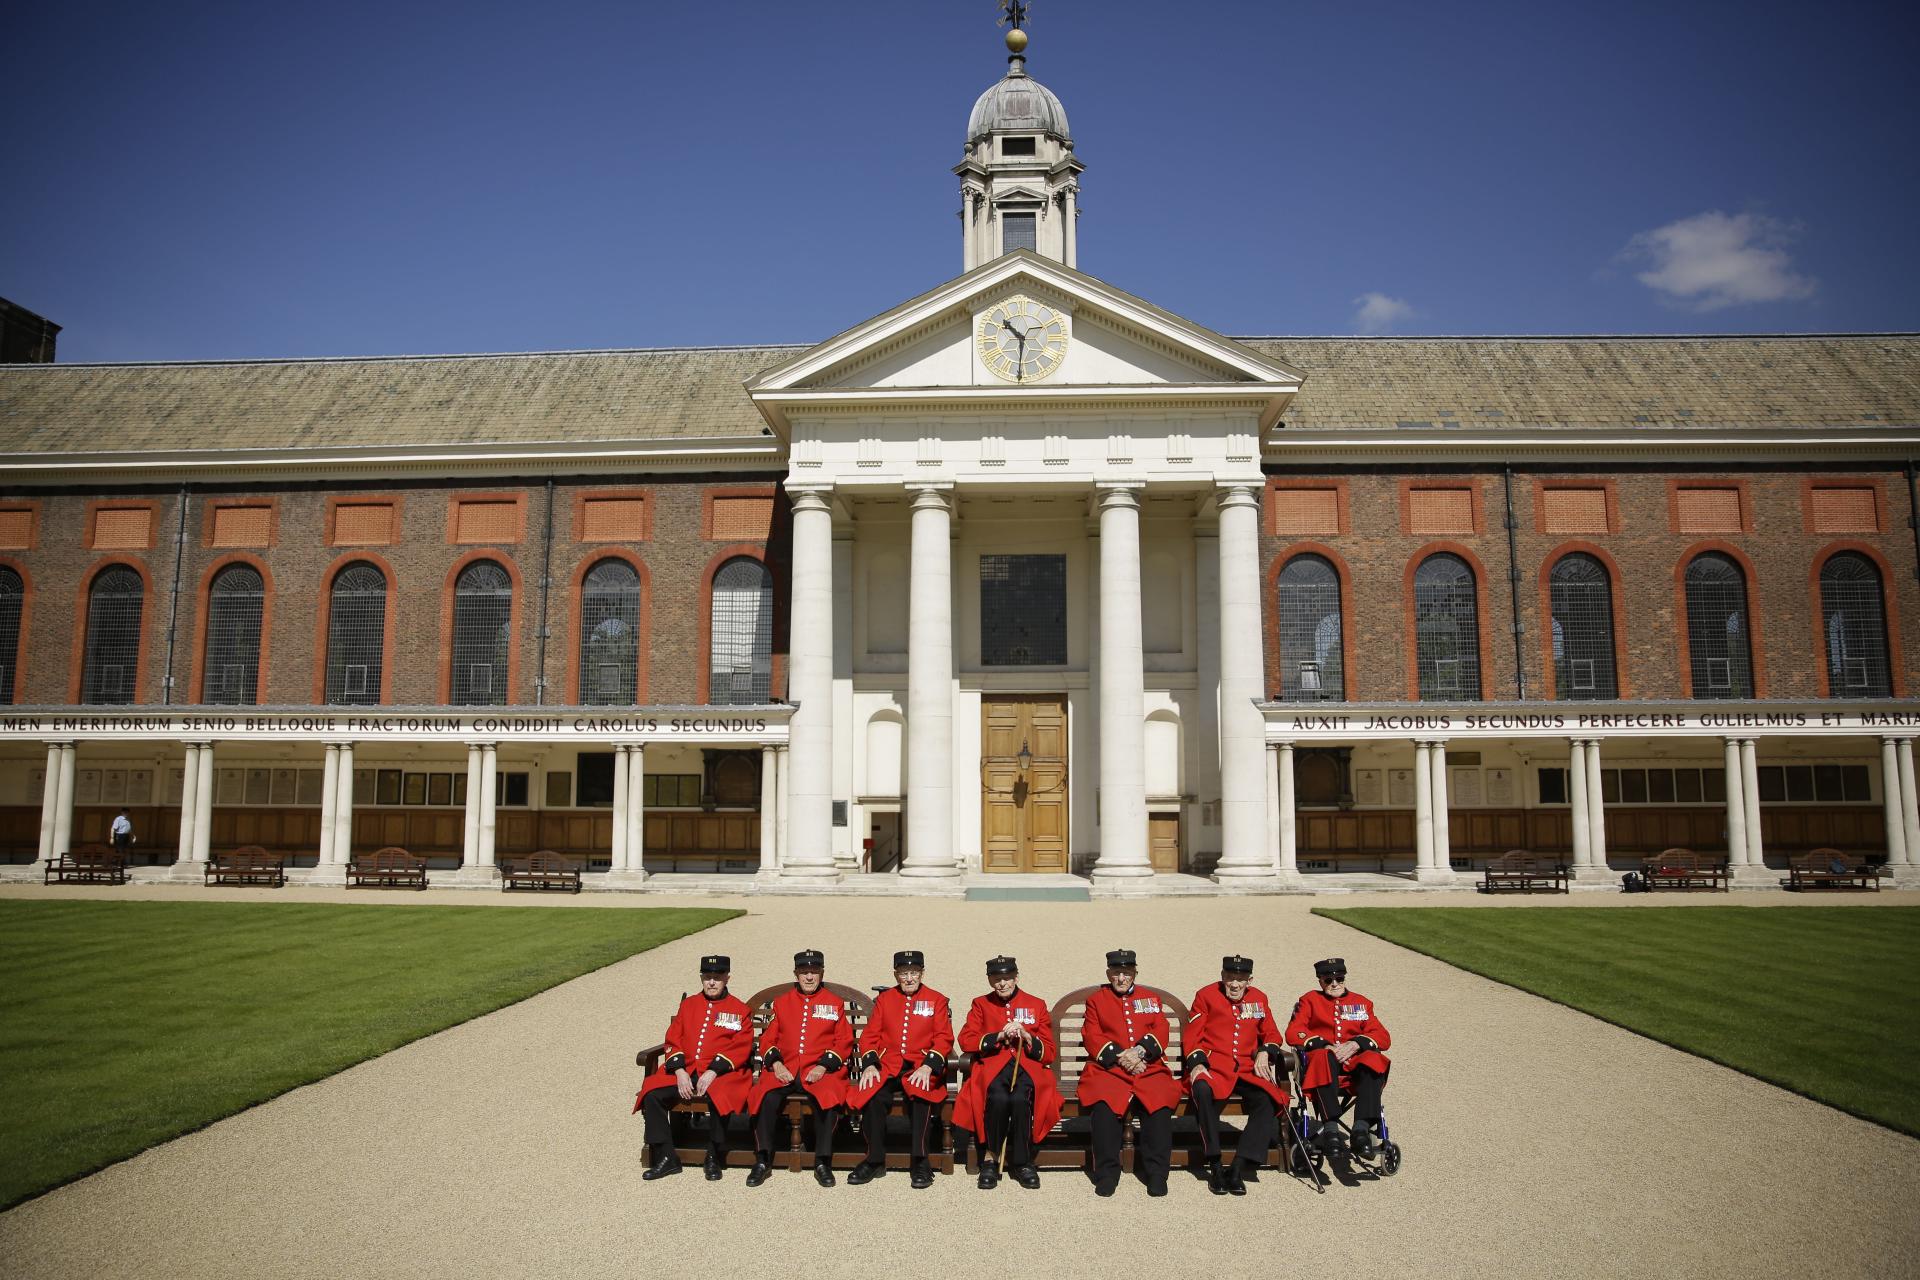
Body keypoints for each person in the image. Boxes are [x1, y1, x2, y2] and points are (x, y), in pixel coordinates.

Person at [634, 955, 754, 1181]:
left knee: (721, 1095)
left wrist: (713, 1071)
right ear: (701, 978)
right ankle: (666, 1157)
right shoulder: (688, 1005)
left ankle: (713, 1155)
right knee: (652, 1093)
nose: (711, 982)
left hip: (723, 1072)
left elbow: (741, 1046)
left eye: (717, 978)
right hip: (686, 1069)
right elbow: (673, 1039)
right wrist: (679, 1071)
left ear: (727, 978)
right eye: (707, 977)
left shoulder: (739, 1010)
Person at [845, 950, 954, 1189]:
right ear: (896, 975)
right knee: (872, 1095)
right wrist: (871, 1065)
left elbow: (944, 1039)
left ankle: (921, 1160)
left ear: (922, 973)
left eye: (914, 972)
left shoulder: (937, 999)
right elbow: (869, 1036)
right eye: (904, 973)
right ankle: (874, 1160)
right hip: (889, 1065)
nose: (909, 978)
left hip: (920, 1065)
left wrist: (928, 1066)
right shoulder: (885, 1000)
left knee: (921, 1095)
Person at [744, 949, 852, 1188]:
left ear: (822, 973)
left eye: (814, 972)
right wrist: (777, 1064)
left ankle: (822, 1161)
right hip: (787, 1068)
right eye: (804, 972)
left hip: (819, 1069)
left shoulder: (834, 1004)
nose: (809, 977)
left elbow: (844, 1041)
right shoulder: (782, 1003)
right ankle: (763, 1159)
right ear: (796, 974)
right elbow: (767, 1041)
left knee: (829, 1097)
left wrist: (824, 1066)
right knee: (764, 1096)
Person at [1076, 948, 1178, 1197]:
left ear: (1134, 973)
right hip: (1109, 1068)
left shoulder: (1150, 999)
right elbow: (1092, 1034)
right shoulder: (1096, 1000)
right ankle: (1107, 1173)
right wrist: (1122, 1058)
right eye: (1116, 973)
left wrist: (1142, 1051)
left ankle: (1156, 1172)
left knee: (1158, 1104)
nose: (1121, 978)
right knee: (1104, 1106)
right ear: (1109, 974)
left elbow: (1161, 1028)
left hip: (1148, 1066)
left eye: (1126, 973)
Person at [952, 955, 1060, 1190]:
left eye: (1007, 978)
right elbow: (966, 1039)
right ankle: (990, 1159)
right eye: (997, 979)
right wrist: (997, 1036)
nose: (1002, 984)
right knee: (999, 1099)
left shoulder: (1036, 1003)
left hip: (1027, 1066)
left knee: (1021, 1099)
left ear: (1016, 977)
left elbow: (1050, 1051)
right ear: (990, 980)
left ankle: (1022, 1161)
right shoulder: (980, 1004)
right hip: (993, 1066)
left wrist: (1029, 1037)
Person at [1184, 954, 1288, 1196]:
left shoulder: (1259, 999)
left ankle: (1238, 1168)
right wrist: (1198, 1064)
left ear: (1249, 980)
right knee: (1201, 1090)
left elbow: (1272, 1033)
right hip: (1214, 1066)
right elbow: (1193, 1036)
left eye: (1240, 979)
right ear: (1222, 977)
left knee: (1266, 1100)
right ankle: (1216, 1164)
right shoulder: (1206, 995)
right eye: (1230, 977)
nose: (1234, 984)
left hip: (1245, 1068)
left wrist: (1265, 1051)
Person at [1285, 956, 1391, 1158]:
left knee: (1374, 1060)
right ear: (1320, 981)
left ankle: (1361, 1130)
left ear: (1344, 979)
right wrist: (1324, 1045)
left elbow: (1383, 1037)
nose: (1334, 984)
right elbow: (1293, 1032)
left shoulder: (1361, 1003)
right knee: (1324, 1057)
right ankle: (1331, 1129)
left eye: (1339, 979)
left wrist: (1356, 1043)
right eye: (1328, 980)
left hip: (1354, 1066)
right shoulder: (1309, 1000)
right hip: (1323, 1064)